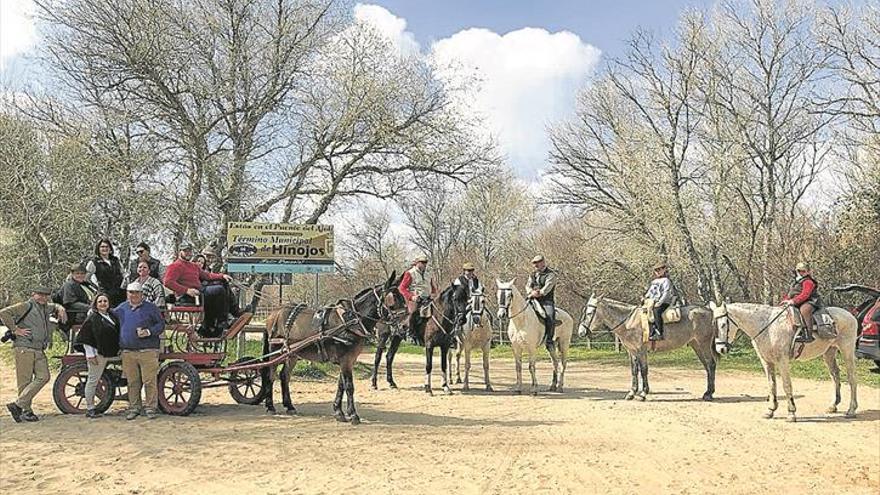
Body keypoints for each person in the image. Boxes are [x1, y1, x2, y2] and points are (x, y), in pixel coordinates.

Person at [0, 287, 67, 423]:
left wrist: (61, 308)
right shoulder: (25, 306)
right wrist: (15, 329)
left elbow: (54, 306)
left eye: (46, 295)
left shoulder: (45, 307)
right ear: (33, 294)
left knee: (44, 377)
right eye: (40, 294)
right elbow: (4, 313)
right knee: (24, 381)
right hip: (24, 347)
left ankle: (18, 405)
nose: (43, 297)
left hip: (38, 349)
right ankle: (26, 411)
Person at [114, 282, 164, 420]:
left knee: (149, 381)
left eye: (136, 292)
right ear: (127, 293)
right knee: (132, 382)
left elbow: (161, 324)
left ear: (142, 294)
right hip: (128, 352)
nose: (133, 295)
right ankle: (134, 407)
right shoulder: (121, 309)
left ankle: (150, 408)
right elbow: (108, 318)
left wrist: (149, 331)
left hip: (148, 350)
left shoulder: (151, 308)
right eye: (131, 292)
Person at [163, 242, 235, 336]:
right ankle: (222, 321)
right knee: (219, 290)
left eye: (189, 251)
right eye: (185, 251)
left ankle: (216, 323)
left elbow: (207, 275)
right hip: (187, 296)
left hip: (200, 292)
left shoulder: (193, 266)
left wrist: (222, 275)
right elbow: (167, 282)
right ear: (179, 252)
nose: (188, 253)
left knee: (222, 283)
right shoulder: (175, 266)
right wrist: (187, 290)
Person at [74, 293, 120, 418]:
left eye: (105, 301)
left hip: (111, 352)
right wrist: (90, 354)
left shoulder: (111, 316)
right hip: (97, 353)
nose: (103, 303)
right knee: (93, 380)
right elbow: (86, 337)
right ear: (96, 304)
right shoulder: (93, 318)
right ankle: (90, 408)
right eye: (100, 301)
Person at [526, 255, 559, 351]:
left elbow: (547, 288)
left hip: (546, 301)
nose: (535, 265)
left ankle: (549, 340)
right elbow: (527, 285)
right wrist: (530, 292)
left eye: (537, 262)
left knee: (550, 316)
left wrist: (539, 293)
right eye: (534, 263)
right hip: (532, 299)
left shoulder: (551, 274)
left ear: (543, 262)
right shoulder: (532, 274)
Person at [782, 261, 820, 343]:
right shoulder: (795, 282)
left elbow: (805, 294)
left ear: (808, 272)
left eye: (803, 271)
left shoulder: (808, 281)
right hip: (798, 301)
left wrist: (793, 301)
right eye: (799, 271)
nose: (801, 273)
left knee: (804, 310)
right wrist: (785, 300)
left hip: (810, 301)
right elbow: (790, 294)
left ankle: (808, 335)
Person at [86, 238, 126, 307]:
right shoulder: (94, 262)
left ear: (110, 248)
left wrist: (123, 286)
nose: (105, 248)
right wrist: (96, 288)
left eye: (107, 247)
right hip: (106, 295)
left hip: (120, 294)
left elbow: (123, 274)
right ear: (98, 248)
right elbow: (86, 278)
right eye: (102, 247)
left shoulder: (116, 260)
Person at [398, 254, 432, 330]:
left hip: (428, 298)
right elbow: (401, 288)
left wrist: (435, 294)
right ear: (417, 263)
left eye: (426, 262)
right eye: (422, 262)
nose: (425, 264)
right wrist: (412, 297)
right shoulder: (410, 273)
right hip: (415, 299)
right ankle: (409, 331)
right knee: (413, 312)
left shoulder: (428, 274)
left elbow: (433, 287)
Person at [643, 262, 675, 341]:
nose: (657, 272)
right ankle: (648, 331)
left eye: (659, 269)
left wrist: (660, 302)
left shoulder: (666, 280)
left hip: (664, 302)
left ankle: (659, 333)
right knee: (643, 311)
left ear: (664, 269)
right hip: (652, 302)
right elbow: (650, 292)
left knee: (656, 311)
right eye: (656, 270)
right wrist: (645, 297)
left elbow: (666, 292)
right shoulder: (654, 281)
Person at [60, 263, 98, 327]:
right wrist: (90, 307)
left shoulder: (88, 285)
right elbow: (71, 303)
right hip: (77, 318)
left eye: (82, 273)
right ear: (72, 274)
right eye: (77, 273)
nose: (80, 275)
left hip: (92, 315)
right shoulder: (69, 285)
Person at [452, 262, 484, 328]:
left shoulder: (476, 280)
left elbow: (480, 290)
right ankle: (456, 329)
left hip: (475, 302)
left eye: (472, 270)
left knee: (487, 313)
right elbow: (457, 295)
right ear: (464, 271)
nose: (470, 272)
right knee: (461, 315)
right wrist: (467, 301)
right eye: (468, 270)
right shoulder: (459, 280)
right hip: (463, 302)